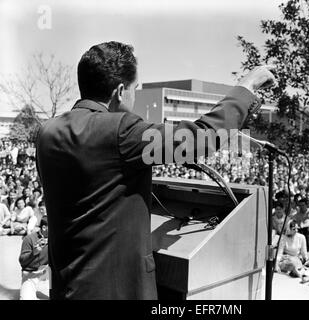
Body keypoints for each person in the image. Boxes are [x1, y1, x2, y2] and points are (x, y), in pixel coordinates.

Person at [35, 41, 276, 300]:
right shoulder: (120, 131)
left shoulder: (47, 132)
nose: (135, 95)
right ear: (119, 91)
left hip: (66, 286)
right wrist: (246, 86)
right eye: (134, 88)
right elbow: (200, 140)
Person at [19, 216, 49, 300]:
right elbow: (22, 262)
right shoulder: (29, 238)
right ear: (44, 227)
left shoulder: (55, 238)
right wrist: (33, 253)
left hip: (48, 271)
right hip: (31, 273)